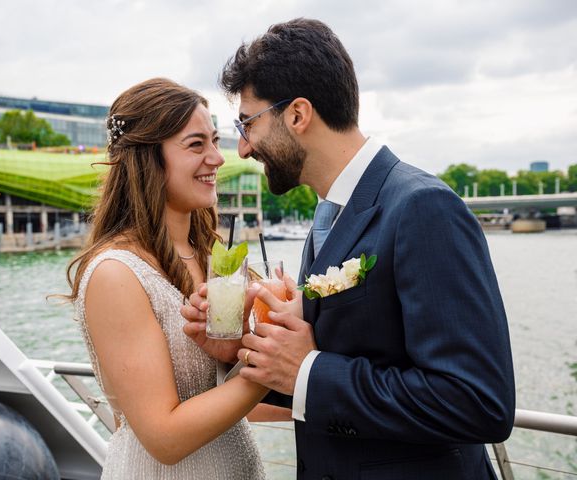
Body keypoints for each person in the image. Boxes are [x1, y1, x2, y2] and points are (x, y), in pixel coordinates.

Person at [182, 18, 515, 479]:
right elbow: (351, 357)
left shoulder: (423, 207)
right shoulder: (327, 215)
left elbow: (478, 402)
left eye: (248, 123)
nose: (242, 148)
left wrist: (308, 372)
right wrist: (246, 349)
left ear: (297, 114)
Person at [66, 78, 268, 479]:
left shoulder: (211, 257)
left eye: (214, 140)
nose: (217, 158)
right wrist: (267, 365)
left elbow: (222, 396)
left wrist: (309, 375)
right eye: (196, 145)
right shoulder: (116, 274)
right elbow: (165, 437)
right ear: (147, 159)